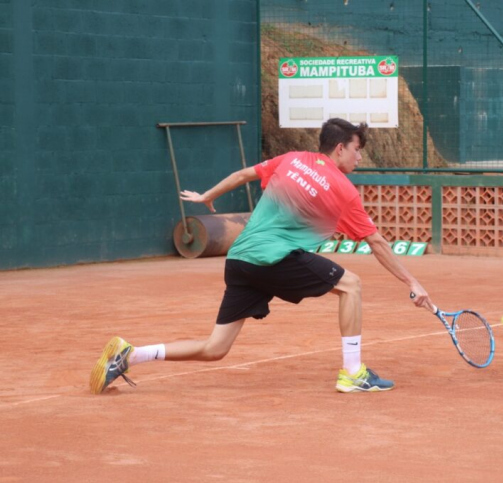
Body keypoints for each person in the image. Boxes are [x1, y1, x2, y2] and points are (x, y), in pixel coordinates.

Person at [90, 118, 432, 395]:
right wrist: (412, 282)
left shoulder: (292, 159)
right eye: (358, 150)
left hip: (240, 259)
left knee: (215, 348)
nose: (360, 157)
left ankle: (130, 354)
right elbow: (377, 242)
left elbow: (242, 175)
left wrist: (207, 196)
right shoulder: (343, 190)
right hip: (273, 259)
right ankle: (353, 373)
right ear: (340, 148)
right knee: (351, 285)